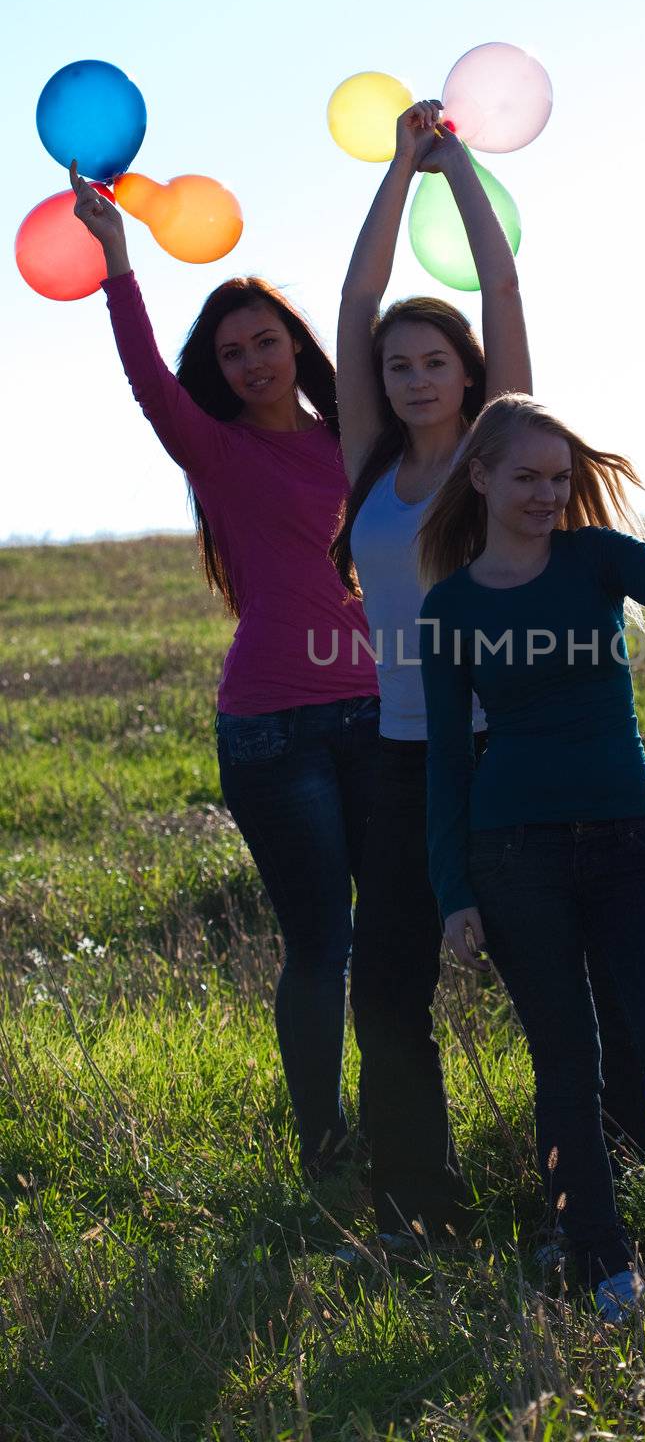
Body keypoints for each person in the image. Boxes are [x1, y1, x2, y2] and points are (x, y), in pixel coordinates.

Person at [328, 102, 645, 1244]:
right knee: (388, 987)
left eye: (434, 361)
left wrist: (451, 163)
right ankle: (418, 1201)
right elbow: (355, 305)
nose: (414, 377)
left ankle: (605, 1174)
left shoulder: (490, 450)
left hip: (502, 750)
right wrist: (393, 170)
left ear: (468, 375)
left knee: (556, 982)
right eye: (397, 366)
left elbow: (501, 294)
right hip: (396, 754)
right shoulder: (369, 459)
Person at [417, 393, 645, 1316]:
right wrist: (454, 890)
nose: (547, 495)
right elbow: (448, 765)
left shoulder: (596, 558)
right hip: (512, 858)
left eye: (559, 478)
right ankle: (602, 1267)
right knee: (566, 1064)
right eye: (527, 478)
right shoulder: (449, 605)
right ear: (482, 477)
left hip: (626, 844)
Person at [69, 162, 380, 1182]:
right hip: (272, 731)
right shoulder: (211, 451)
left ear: (296, 344)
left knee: (388, 937)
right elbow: (146, 378)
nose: (249, 362)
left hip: (380, 715)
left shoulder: (357, 442)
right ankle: (323, 1148)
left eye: (264, 341)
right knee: (319, 944)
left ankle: (401, 1140)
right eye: (230, 351)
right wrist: (118, 261)